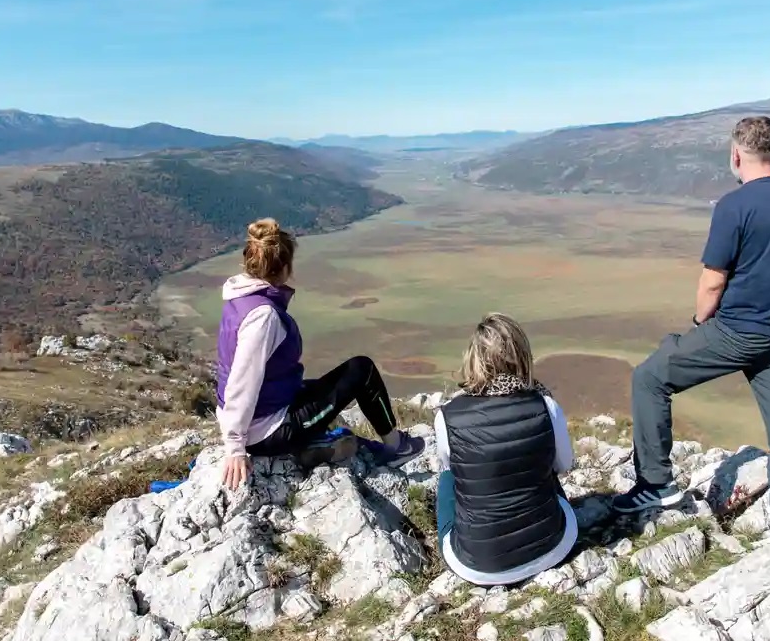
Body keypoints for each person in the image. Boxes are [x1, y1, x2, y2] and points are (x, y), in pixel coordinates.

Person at [612, 116, 770, 541]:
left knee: (651, 376)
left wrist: (699, 324)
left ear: (736, 154)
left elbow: (713, 280)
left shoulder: (734, 206)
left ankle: (655, 484)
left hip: (735, 332)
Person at [216, 218, 425, 489]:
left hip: (262, 416)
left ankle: (313, 444)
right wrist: (235, 448)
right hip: (266, 431)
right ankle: (397, 448)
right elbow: (242, 382)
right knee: (362, 370)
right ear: (285, 267)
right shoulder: (263, 317)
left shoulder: (239, 296)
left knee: (321, 390)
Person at [434, 313, 578, 586]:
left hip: (478, 564)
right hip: (552, 547)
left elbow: (452, 468)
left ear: (474, 359)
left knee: (447, 477)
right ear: (521, 356)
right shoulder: (545, 405)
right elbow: (563, 465)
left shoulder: (447, 417)